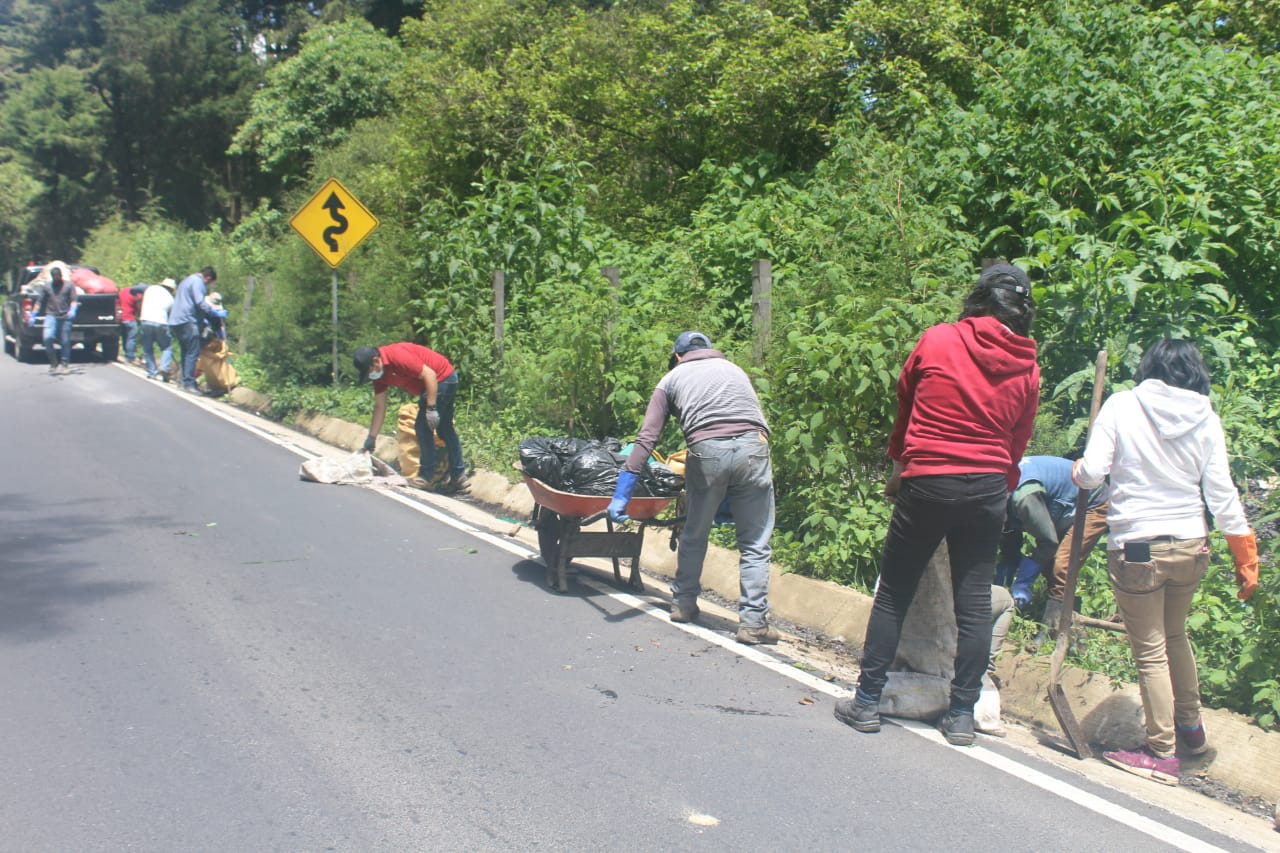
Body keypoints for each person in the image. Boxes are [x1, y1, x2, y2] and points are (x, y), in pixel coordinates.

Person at [834, 262, 1039, 746]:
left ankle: (866, 702)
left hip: (929, 478)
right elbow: (1019, 437)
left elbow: (907, 404)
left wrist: (900, 464)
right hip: (988, 485)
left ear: (979, 297)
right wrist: (999, 481)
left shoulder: (939, 339)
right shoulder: (1027, 363)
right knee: (972, 602)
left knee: (894, 593)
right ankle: (962, 714)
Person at [1073, 339, 1259, 786]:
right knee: (1175, 635)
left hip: (1138, 546)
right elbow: (1220, 492)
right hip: (1192, 544)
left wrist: (1079, 471)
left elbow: (1093, 472)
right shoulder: (1206, 416)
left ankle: (1160, 752)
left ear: (1149, 368)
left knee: (1151, 650)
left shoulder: (1122, 404)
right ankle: (1191, 733)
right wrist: (1243, 551)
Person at [607, 331, 778, 645]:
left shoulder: (671, 379)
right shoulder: (734, 369)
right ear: (709, 351)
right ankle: (753, 624)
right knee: (755, 543)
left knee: (695, 532)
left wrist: (623, 491)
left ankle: (684, 604)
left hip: (707, 451)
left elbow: (647, 438)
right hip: (755, 448)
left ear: (676, 356)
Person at [995, 455, 1109, 615]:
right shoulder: (998, 489)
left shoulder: (1024, 498)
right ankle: (1067, 616)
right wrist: (1002, 579)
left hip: (1092, 501)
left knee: (1062, 565)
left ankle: (1056, 628)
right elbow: (1010, 540)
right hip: (1064, 502)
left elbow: (1048, 542)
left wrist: (1023, 581)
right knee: (1048, 564)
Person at [354, 343, 468, 493]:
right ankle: (458, 477)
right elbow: (379, 406)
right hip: (435, 383)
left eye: (370, 371)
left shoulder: (398, 356)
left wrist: (431, 408)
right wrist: (371, 438)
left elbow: (430, 375)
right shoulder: (380, 376)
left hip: (442, 378)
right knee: (445, 430)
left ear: (376, 361)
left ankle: (426, 477)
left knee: (423, 427)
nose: (371, 375)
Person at [169, 266, 217, 393]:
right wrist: (212, 312)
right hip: (188, 320)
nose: (207, 285)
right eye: (209, 283)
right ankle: (189, 384)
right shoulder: (198, 282)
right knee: (192, 352)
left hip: (176, 320)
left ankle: (183, 381)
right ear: (208, 278)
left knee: (186, 351)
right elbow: (199, 302)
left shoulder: (186, 280)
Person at [33, 262, 78, 375]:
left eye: (58, 276)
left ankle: (65, 364)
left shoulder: (69, 285)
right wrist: (33, 314)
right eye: (54, 277)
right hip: (51, 316)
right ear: (52, 277)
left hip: (65, 316)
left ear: (61, 276)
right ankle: (53, 362)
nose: (56, 279)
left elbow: (74, 300)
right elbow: (39, 301)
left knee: (65, 341)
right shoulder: (47, 286)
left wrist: (72, 310)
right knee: (47, 338)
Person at [195, 292, 237, 396]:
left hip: (207, 339)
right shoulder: (206, 311)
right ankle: (191, 379)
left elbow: (218, 327)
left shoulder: (214, 314)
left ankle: (192, 379)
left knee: (198, 358)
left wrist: (222, 337)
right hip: (202, 336)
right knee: (197, 358)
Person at [139, 278, 176, 380]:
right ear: (171, 289)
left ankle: (152, 372)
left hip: (146, 320)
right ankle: (164, 367)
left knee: (147, 348)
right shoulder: (171, 298)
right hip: (161, 322)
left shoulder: (150, 289)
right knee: (166, 347)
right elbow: (171, 315)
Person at [118, 282, 148, 364]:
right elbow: (139, 306)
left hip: (121, 318)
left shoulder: (123, 290)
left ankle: (126, 354)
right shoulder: (137, 294)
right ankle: (130, 357)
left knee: (124, 337)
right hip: (130, 318)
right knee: (131, 338)